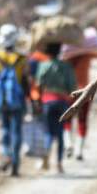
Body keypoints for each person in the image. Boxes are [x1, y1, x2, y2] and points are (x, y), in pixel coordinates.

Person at [0, 24, 30, 176]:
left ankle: (7, 154)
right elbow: (25, 82)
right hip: (18, 100)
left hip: (2, 100)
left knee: (5, 129)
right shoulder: (22, 59)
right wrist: (32, 101)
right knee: (17, 131)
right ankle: (15, 163)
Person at [34, 41, 76, 173]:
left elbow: (39, 85)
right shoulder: (66, 67)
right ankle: (59, 163)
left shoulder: (43, 66)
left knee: (48, 132)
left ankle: (45, 156)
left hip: (47, 101)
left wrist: (39, 103)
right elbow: (72, 87)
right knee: (60, 132)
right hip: (62, 102)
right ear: (59, 52)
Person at [62, 27, 97, 161]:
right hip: (85, 92)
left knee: (67, 119)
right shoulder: (87, 56)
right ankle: (79, 151)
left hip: (69, 92)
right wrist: (84, 46)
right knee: (83, 120)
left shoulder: (66, 59)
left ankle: (68, 143)